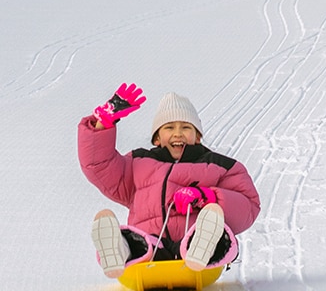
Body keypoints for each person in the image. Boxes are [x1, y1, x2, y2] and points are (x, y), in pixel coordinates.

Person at [78, 85, 261, 276]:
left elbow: (248, 206)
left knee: (215, 232)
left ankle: (200, 248)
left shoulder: (221, 166)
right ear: (157, 138)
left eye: (186, 127)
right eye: (169, 127)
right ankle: (118, 249)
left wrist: (206, 197)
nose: (178, 133)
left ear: (197, 136)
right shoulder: (137, 164)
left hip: (194, 242)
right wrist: (103, 123)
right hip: (150, 246)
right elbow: (98, 165)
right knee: (136, 241)